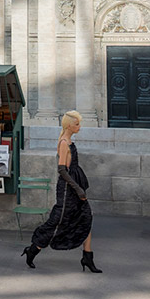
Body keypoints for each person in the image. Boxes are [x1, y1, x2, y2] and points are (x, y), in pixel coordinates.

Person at [22, 110, 100, 273]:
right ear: (69, 125)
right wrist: (78, 190)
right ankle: (33, 249)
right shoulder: (64, 142)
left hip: (74, 186)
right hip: (67, 190)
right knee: (56, 222)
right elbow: (62, 170)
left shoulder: (69, 141)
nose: (79, 126)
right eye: (77, 124)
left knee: (86, 218)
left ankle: (87, 257)